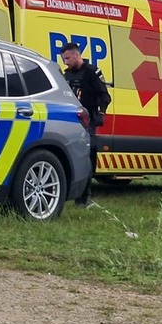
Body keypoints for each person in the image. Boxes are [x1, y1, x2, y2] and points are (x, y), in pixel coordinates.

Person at [60, 42, 111, 206]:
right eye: (63, 59)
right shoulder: (66, 74)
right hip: (70, 120)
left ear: (77, 55)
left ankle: (85, 197)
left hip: (87, 121)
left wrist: (100, 114)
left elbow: (104, 96)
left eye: (67, 58)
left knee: (87, 157)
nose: (65, 62)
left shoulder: (91, 72)